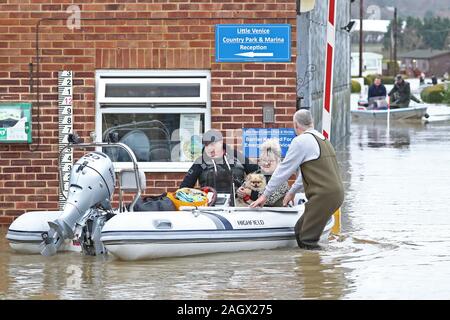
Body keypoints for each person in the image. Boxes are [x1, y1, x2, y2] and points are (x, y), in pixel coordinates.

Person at [250, 110, 344, 250]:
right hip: (336, 194)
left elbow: (283, 170)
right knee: (300, 230)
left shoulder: (300, 141)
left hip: (324, 195)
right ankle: (314, 265)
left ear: (295, 125)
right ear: (311, 122)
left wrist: (265, 195)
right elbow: (306, 173)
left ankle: (321, 267)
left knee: (306, 239)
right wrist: (292, 191)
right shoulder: (323, 139)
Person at [180, 129, 259, 195]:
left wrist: (247, 189)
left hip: (237, 206)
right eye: (207, 145)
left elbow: (258, 172)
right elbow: (184, 188)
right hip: (209, 207)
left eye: (213, 144)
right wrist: (198, 196)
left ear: (221, 142)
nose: (210, 148)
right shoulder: (200, 162)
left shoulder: (236, 156)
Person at [237, 138, 289, 207]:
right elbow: (243, 187)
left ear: (278, 162)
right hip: (255, 214)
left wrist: (250, 192)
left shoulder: (281, 178)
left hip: (276, 215)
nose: (266, 163)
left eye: (270, 160)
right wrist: (240, 192)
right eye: (264, 160)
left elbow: (269, 199)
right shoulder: (255, 174)